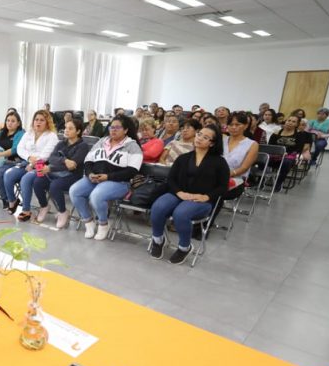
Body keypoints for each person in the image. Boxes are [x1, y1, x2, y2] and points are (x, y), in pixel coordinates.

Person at [148, 124, 229, 265]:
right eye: (199, 134)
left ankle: (184, 247)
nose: (199, 138)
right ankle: (158, 240)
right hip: (179, 194)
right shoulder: (183, 158)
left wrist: (206, 197)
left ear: (212, 143)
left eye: (205, 137)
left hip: (202, 200)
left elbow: (223, 187)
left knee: (181, 213)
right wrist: (179, 192)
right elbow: (171, 179)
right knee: (158, 207)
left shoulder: (219, 162)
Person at [70, 115, 142, 241]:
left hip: (119, 182)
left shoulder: (132, 146)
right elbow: (88, 161)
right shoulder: (102, 141)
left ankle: (103, 224)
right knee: (75, 191)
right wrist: (90, 174)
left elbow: (132, 171)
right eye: (111, 127)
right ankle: (88, 222)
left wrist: (108, 177)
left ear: (126, 130)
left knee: (97, 196)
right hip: (95, 178)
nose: (113, 130)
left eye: (117, 127)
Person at [28, 118, 89, 228]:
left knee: (55, 186)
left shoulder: (83, 146)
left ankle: (62, 211)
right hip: (57, 173)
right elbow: (52, 158)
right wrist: (64, 160)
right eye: (66, 128)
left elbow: (72, 166)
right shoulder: (61, 143)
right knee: (37, 182)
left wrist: (52, 168)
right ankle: (44, 206)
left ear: (78, 131)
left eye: (70, 128)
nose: (66, 130)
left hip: (73, 176)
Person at [4, 110, 59, 220]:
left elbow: (46, 155)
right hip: (26, 162)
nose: (38, 122)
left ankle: (26, 210)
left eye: (42, 120)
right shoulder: (29, 133)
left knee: (26, 179)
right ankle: (13, 201)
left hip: (43, 166)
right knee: (8, 174)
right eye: (36, 119)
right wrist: (29, 158)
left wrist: (33, 163)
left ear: (47, 122)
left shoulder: (52, 136)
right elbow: (20, 148)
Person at [269, 114, 311, 191]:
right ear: (285, 121)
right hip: (275, 155)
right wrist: (277, 153)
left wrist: (286, 153)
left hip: (289, 157)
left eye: (293, 122)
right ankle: (260, 180)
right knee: (260, 159)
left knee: (286, 162)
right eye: (289, 120)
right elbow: (270, 146)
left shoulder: (299, 134)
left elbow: (298, 148)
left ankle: (279, 182)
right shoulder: (276, 133)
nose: (290, 122)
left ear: (297, 124)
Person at [222, 111, 259, 199]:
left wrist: (226, 174)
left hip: (236, 180)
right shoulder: (222, 140)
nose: (234, 127)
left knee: (211, 189)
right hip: (215, 176)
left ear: (246, 126)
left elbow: (244, 168)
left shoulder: (252, 144)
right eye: (231, 124)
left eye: (238, 124)